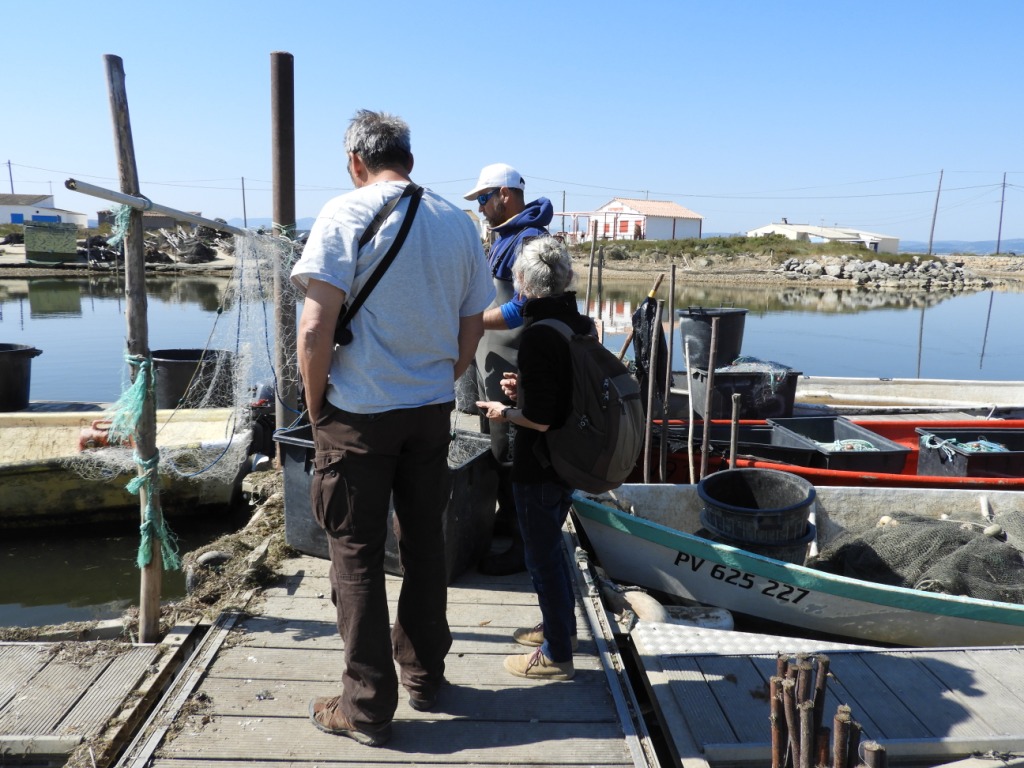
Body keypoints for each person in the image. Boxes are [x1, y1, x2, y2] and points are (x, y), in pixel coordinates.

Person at [291, 110, 495, 746]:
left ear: (356, 160)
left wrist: (317, 404)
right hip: (430, 411)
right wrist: (440, 377)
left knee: (354, 550)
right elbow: (472, 324)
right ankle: (426, 675)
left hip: (357, 415)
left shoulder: (345, 213)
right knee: (425, 542)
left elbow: (313, 330)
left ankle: (368, 705)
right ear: (407, 157)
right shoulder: (456, 221)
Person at [476, 235, 588, 681]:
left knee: (541, 557)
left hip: (539, 462)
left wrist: (506, 410)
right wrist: (522, 387)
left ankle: (557, 653)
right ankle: (561, 627)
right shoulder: (578, 323)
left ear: (521, 283)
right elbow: (566, 393)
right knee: (554, 550)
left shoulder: (539, 335)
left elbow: (541, 419)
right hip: (568, 458)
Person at [462, 163, 554, 576]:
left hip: (515, 369)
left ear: (505, 193)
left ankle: (522, 543)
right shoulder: (506, 237)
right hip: (493, 364)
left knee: (515, 453)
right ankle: (505, 517)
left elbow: (522, 308)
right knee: (497, 449)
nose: (480, 208)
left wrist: (470, 322)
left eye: (483, 199)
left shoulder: (530, 240)